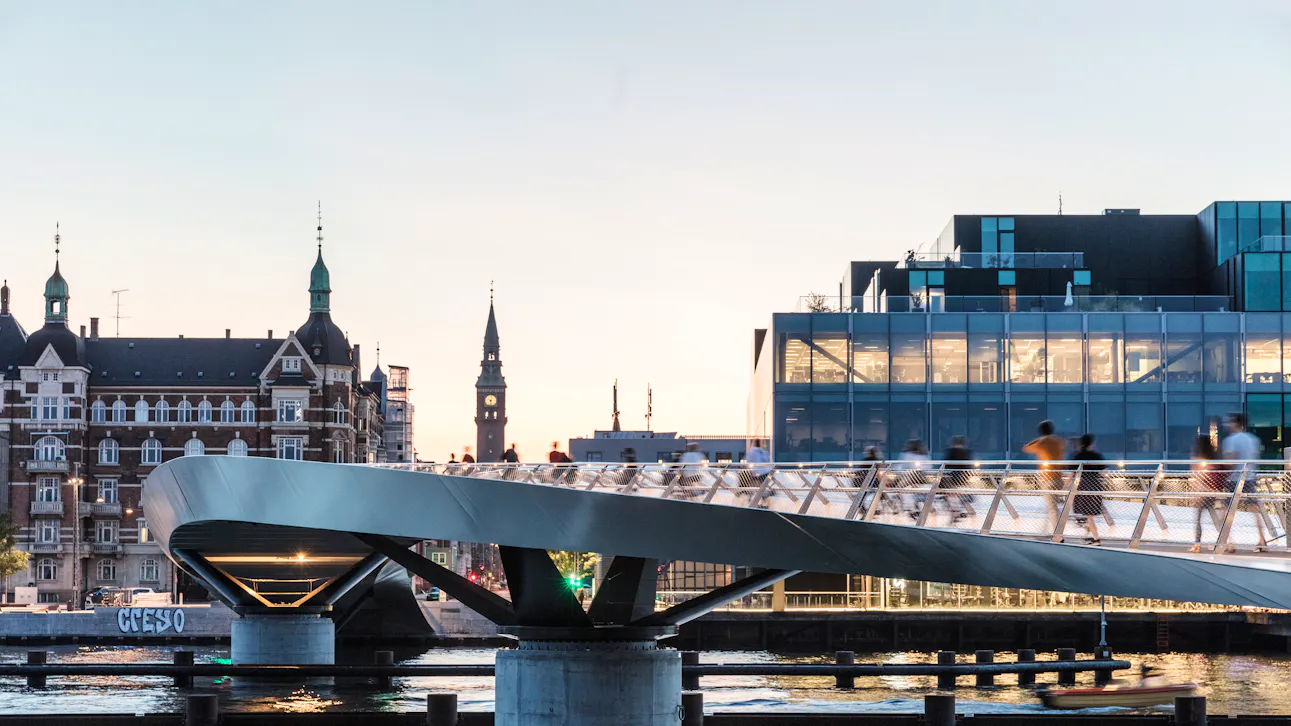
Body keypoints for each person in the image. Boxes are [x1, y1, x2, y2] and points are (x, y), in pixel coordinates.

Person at [1220, 413, 1268, 551]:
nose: (1227, 425)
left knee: (1225, 510)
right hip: (1250, 477)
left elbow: (1231, 461)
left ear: (1236, 423)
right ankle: (1262, 540)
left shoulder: (1231, 440)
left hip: (1234, 479)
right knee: (1255, 510)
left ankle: (1228, 542)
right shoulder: (1253, 439)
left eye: (1229, 422)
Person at [1023, 420, 1067, 533]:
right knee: (1052, 506)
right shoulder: (1058, 441)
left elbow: (1026, 448)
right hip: (1059, 478)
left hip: (1047, 479)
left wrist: (1039, 439)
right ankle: (1047, 529)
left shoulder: (1041, 443)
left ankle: (1057, 533)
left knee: (1052, 508)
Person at [1189, 434, 1223, 552]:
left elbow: (1197, 476)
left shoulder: (1198, 458)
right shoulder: (1214, 457)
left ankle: (1197, 544)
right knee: (1214, 518)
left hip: (1203, 492)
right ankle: (1226, 541)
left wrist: (1196, 493)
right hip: (1213, 492)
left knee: (1198, 519)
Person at [1071, 433, 1105, 545]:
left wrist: (1066, 486)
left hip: (1083, 485)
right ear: (1091, 443)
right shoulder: (1096, 456)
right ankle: (1087, 536)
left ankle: (1096, 539)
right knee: (1089, 514)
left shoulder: (1078, 456)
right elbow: (1104, 472)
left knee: (1088, 515)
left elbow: (1072, 473)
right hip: (1095, 485)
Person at [942, 436, 973, 520]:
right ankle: (960, 512)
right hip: (962, 477)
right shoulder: (966, 452)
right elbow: (967, 465)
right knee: (958, 496)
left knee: (951, 495)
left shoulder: (951, 451)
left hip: (952, 477)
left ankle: (955, 513)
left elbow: (946, 464)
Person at [898, 439, 930, 518]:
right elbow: (928, 467)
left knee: (899, 488)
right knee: (909, 490)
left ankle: (909, 508)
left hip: (912, 477)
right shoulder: (924, 455)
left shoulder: (907, 455)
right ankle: (913, 507)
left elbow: (901, 467)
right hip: (920, 477)